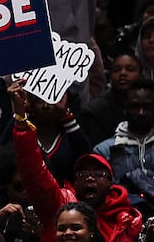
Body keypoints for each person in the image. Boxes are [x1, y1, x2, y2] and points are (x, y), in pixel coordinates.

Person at [9, 78, 143, 242]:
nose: (89, 177)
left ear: (111, 182)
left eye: (98, 173)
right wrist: (21, 121)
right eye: (82, 173)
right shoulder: (59, 205)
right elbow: (34, 172)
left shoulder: (128, 221)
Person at [93, 79, 154, 216]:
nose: (141, 112)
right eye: (135, 106)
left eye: (147, 107)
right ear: (125, 108)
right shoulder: (104, 150)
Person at [81, 53, 145, 144]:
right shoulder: (93, 111)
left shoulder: (149, 106)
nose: (123, 73)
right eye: (117, 70)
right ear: (110, 76)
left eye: (130, 69)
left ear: (141, 75)